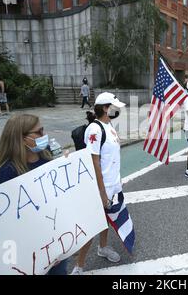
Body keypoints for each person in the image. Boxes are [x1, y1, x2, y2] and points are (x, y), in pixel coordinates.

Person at [0, 114, 69, 275]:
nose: (44, 135)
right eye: (39, 132)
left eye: (43, 130)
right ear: (21, 138)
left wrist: (66, 164)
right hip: (32, 250)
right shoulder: (8, 172)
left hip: (57, 240)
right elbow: (7, 222)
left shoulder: (47, 155)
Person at [71, 92, 126, 275]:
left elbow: (111, 159)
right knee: (91, 226)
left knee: (105, 221)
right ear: (105, 108)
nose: (117, 109)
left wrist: (116, 184)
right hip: (99, 188)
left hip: (112, 185)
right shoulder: (95, 129)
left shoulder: (108, 125)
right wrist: (102, 193)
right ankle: (78, 266)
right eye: (114, 106)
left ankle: (102, 247)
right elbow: (93, 163)